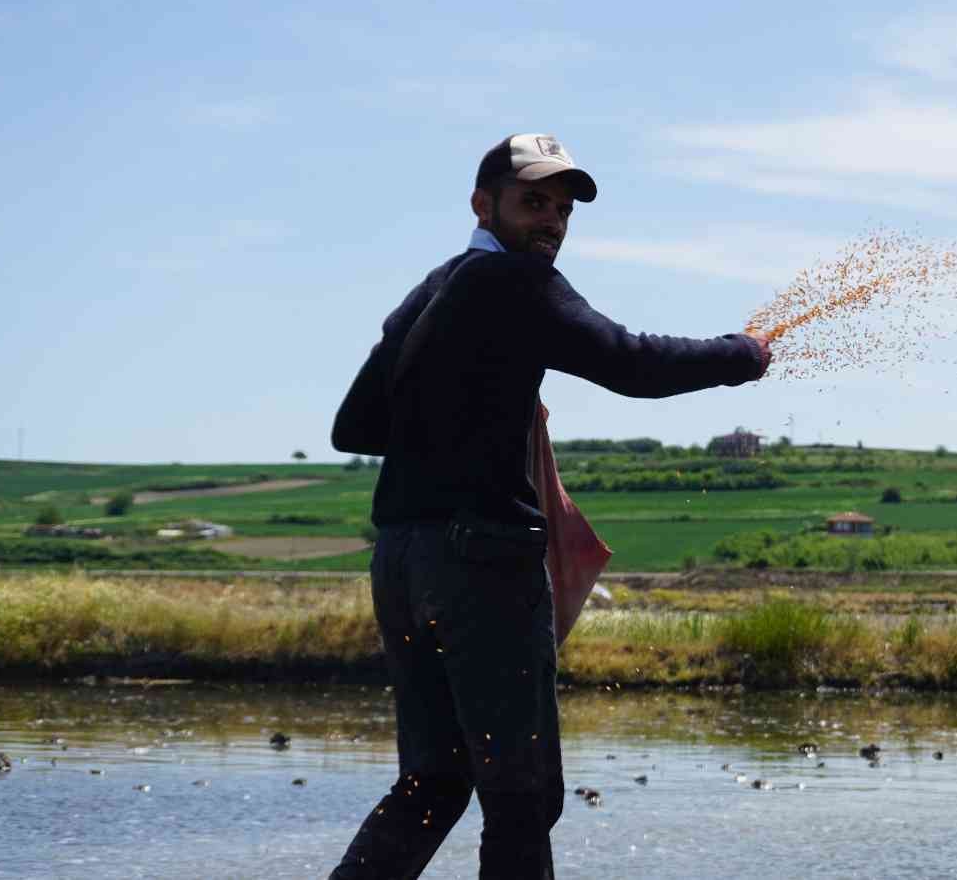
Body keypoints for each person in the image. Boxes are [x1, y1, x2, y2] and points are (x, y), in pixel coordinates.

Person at [328, 133, 770, 879]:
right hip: (482, 567)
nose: (551, 224)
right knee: (522, 797)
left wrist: (476, 400)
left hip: (403, 561)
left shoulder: (435, 288)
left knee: (434, 781)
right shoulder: (516, 283)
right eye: (534, 202)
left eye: (562, 210)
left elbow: (356, 428)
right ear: (483, 203)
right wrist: (741, 355)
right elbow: (630, 362)